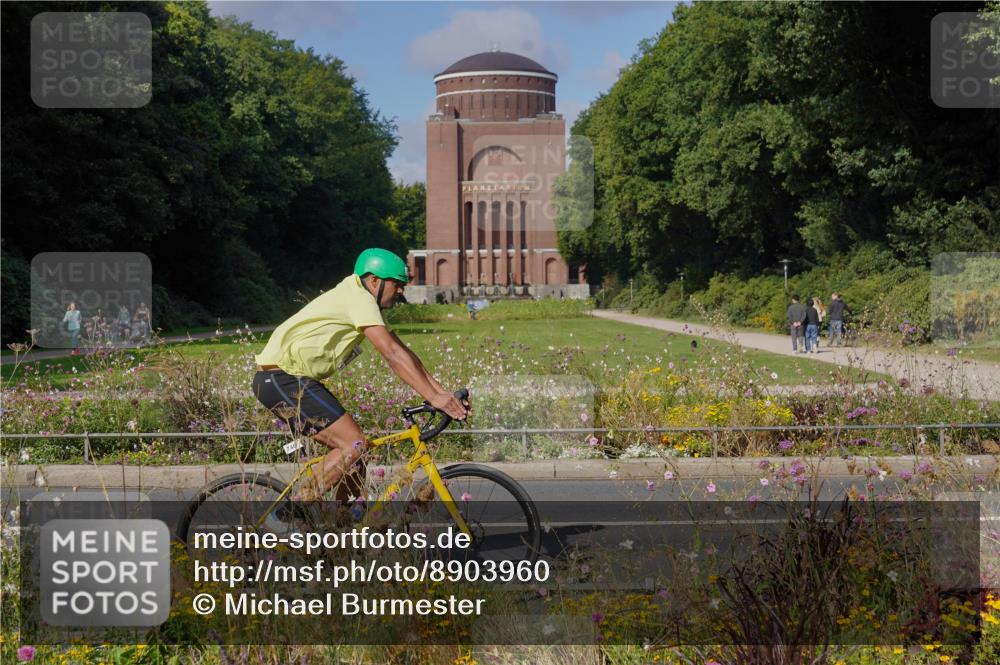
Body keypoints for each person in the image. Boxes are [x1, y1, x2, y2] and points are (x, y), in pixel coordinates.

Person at [253, 248, 470, 504]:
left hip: (294, 379)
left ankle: (345, 524)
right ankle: (290, 511)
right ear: (374, 280)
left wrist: (441, 394)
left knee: (358, 453)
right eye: (397, 284)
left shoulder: (360, 299)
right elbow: (390, 354)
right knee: (353, 444)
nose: (401, 290)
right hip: (282, 379)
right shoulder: (358, 298)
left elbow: (403, 353)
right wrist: (433, 397)